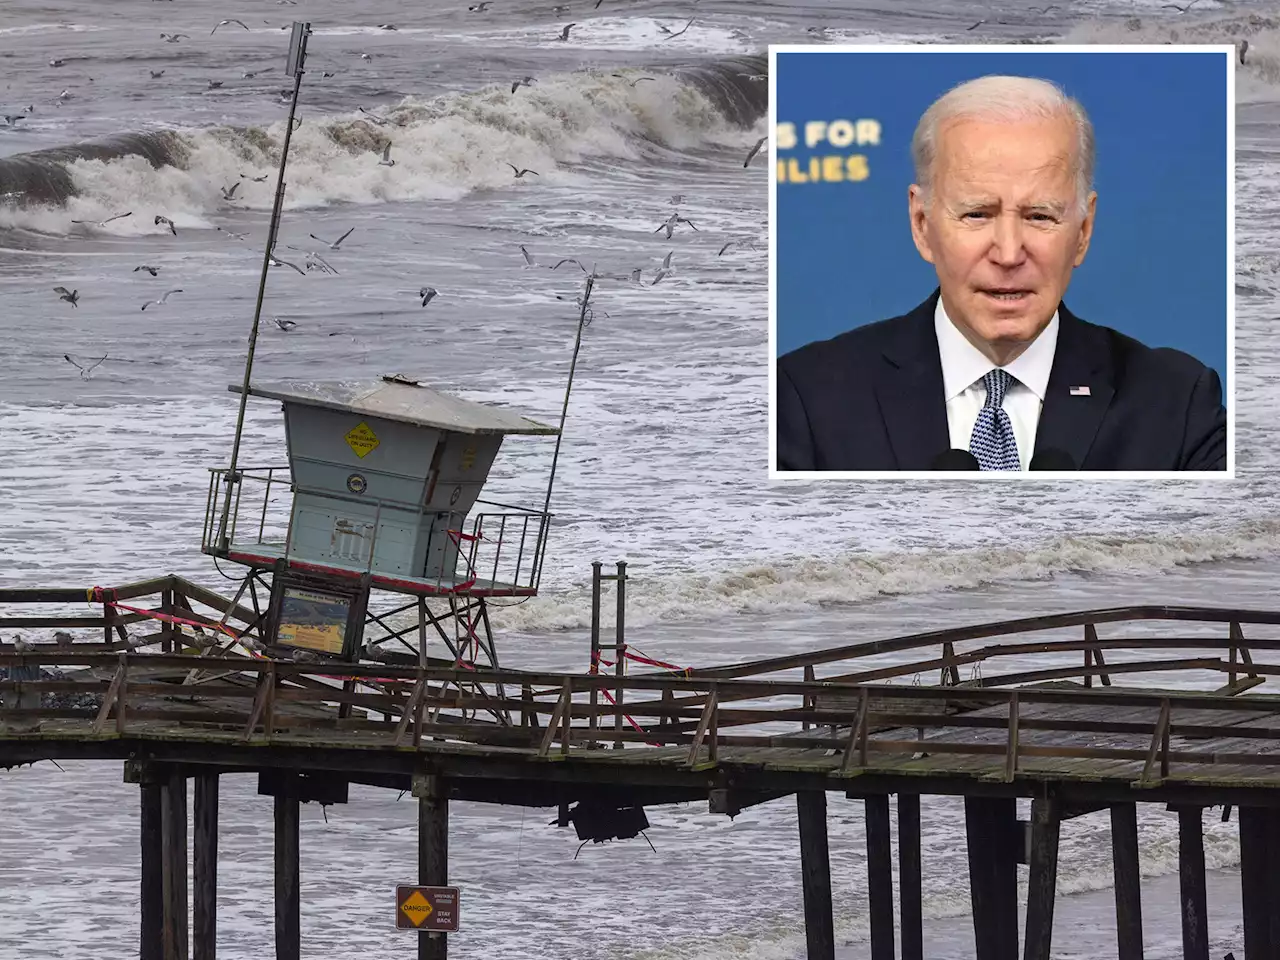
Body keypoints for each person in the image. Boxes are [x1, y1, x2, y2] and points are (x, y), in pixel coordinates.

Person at [775, 74, 1227, 472]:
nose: (1009, 253)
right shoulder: (805, 400)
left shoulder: (1178, 405)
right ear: (922, 224)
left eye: (1040, 217)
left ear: (1083, 231)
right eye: (976, 214)